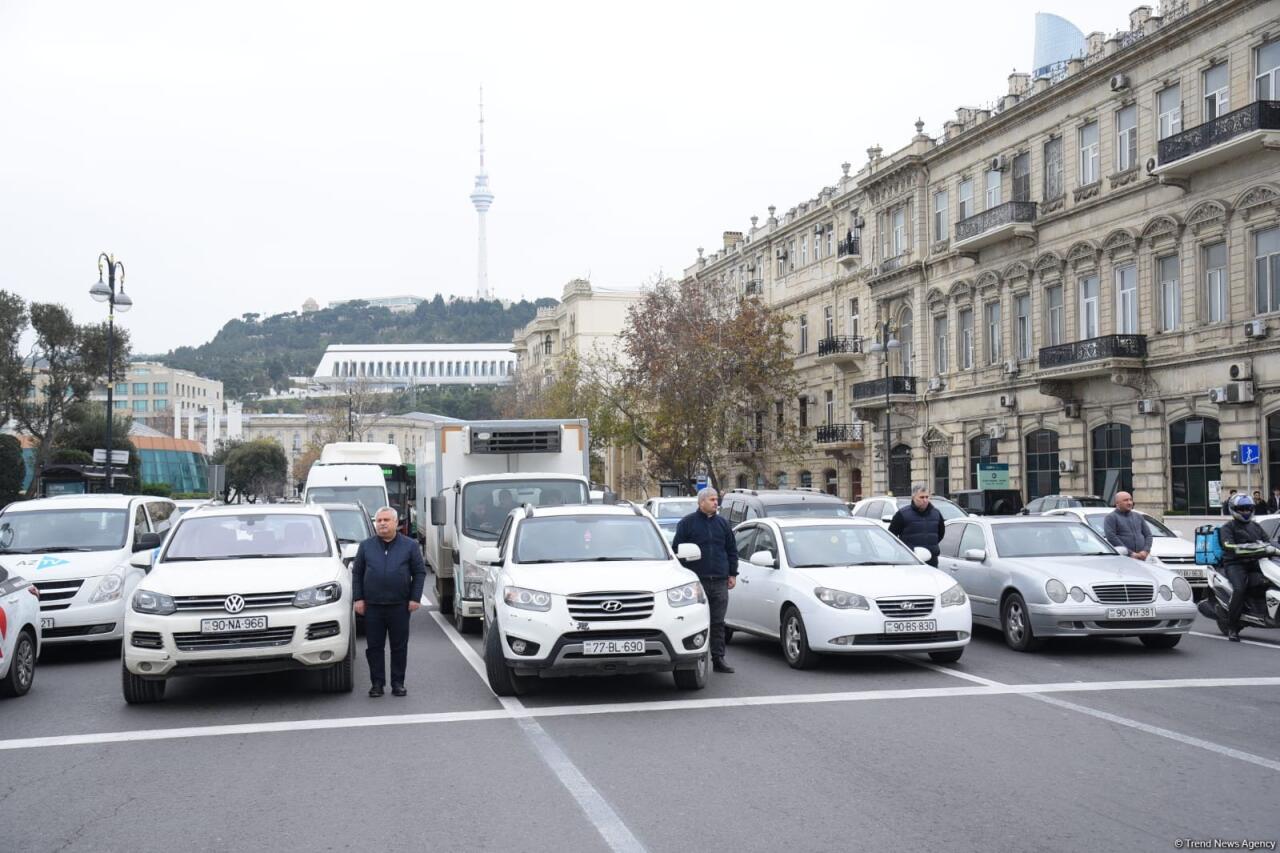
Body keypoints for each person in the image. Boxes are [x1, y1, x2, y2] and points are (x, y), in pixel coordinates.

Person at [353, 507, 427, 696]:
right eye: (379, 521)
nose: (382, 523)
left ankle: (398, 683)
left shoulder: (409, 546)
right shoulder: (366, 546)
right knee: (374, 647)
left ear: (396, 523)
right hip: (373, 606)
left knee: (399, 647)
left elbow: (419, 572)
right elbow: (357, 573)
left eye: (386, 520)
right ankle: (377, 684)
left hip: (400, 606)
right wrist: (358, 598)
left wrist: (414, 598)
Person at [672, 487, 738, 674]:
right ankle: (693, 657)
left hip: (719, 580)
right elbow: (678, 550)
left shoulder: (723, 524)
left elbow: (731, 550)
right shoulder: (687, 524)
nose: (716, 503)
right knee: (694, 621)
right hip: (696, 581)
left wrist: (732, 574)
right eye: (712, 499)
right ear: (701, 502)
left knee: (718, 622)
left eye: (717, 499)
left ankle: (718, 658)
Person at [1218, 494, 1277, 641]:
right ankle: (1232, 626)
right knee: (1239, 588)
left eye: (1248, 508)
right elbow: (1229, 546)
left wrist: (1272, 548)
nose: (1245, 512)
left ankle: (1261, 611)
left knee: (1269, 582)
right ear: (1234, 510)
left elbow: (1268, 542)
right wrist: (1253, 548)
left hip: (1256, 563)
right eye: (1242, 509)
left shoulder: (1255, 526)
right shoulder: (1227, 528)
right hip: (1235, 564)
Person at [888, 484, 946, 567]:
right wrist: (906, 551)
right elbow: (891, 536)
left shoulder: (936, 513)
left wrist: (930, 546)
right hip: (909, 561)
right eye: (921, 497)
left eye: (927, 497)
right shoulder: (902, 514)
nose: (925, 500)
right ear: (913, 498)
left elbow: (940, 534)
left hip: (931, 561)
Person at [1103, 491, 1151, 562]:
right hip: (1123, 558)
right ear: (1117, 503)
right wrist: (1130, 553)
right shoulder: (1111, 517)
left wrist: (1145, 551)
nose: (1129, 503)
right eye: (1125, 500)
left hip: (1143, 558)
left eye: (1130, 500)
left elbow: (1148, 535)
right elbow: (1111, 537)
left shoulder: (1138, 516)